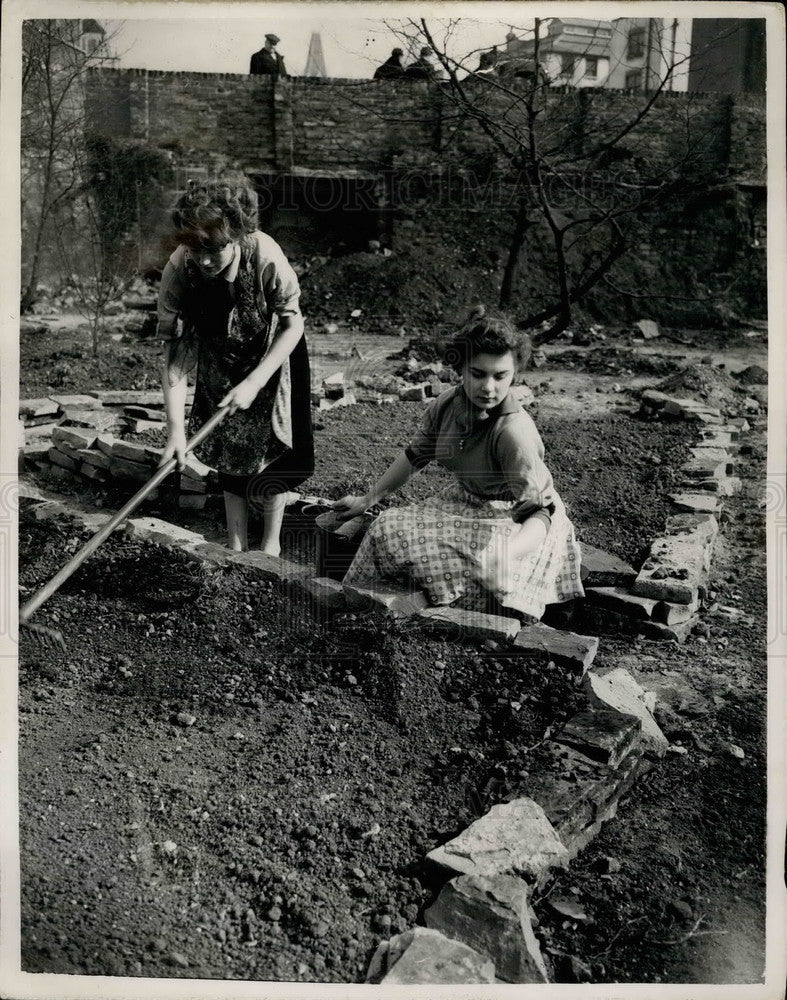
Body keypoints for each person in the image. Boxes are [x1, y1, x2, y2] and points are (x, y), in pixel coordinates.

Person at [333, 306, 584, 622]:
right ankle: (362, 608)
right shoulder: (448, 404)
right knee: (385, 527)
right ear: (461, 369)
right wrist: (367, 500)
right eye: (478, 374)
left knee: (474, 568)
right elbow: (416, 455)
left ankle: (457, 614)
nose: (488, 387)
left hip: (514, 520)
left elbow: (540, 512)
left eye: (500, 376)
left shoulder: (512, 432)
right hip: (464, 501)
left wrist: (506, 556)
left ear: (514, 375)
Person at [157, 176, 314, 554]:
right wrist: (175, 431)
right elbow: (176, 357)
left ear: (237, 236)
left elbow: (293, 325)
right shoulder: (178, 270)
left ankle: (270, 547)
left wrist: (256, 382)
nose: (204, 260)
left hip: (274, 352)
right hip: (220, 354)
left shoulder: (265, 255)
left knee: (273, 451)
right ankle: (235, 546)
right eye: (196, 249)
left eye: (215, 249)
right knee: (230, 447)